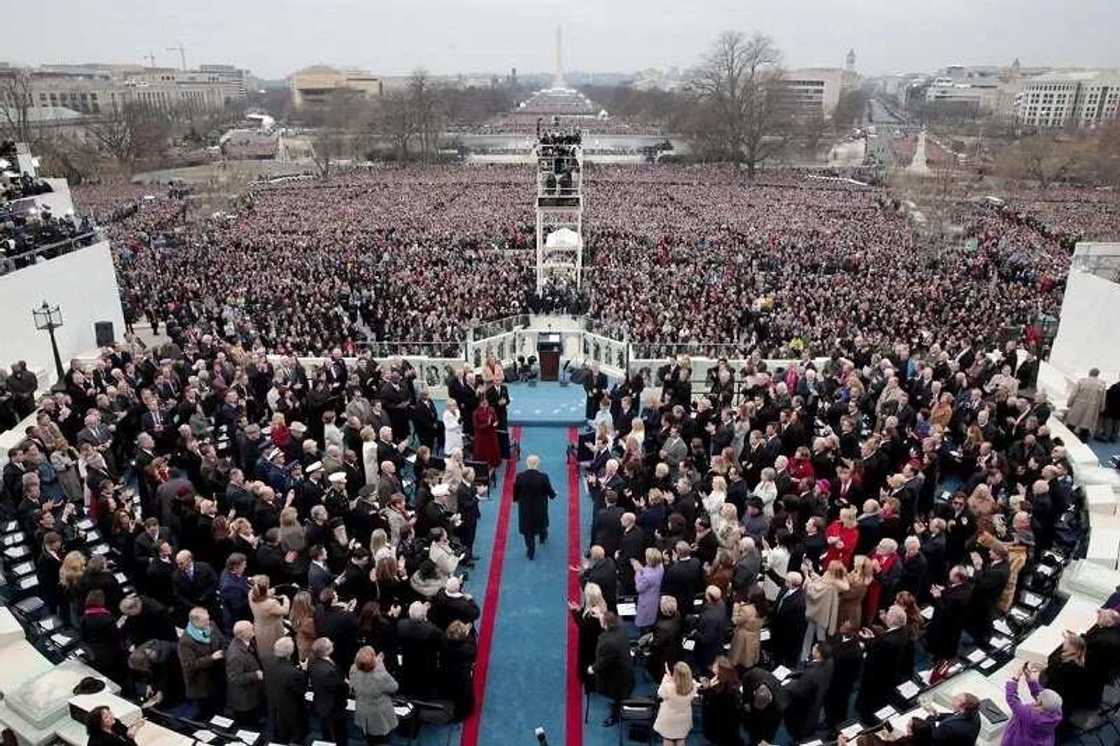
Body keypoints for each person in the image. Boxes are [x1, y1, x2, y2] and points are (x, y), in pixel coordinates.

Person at [177, 606, 227, 720]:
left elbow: (222, 640)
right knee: (207, 711)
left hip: (217, 675)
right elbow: (189, 665)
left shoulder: (212, 625)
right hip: (201, 682)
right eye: (205, 621)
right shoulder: (185, 641)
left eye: (208, 619)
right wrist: (212, 658)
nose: (208, 622)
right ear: (195, 622)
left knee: (220, 704)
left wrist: (224, 651)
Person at [262, 637, 309, 746]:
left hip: (274, 711)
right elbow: (302, 690)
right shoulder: (293, 673)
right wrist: (305, 672)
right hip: (292, 715)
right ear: (290, 652)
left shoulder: (268, 665)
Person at [591, 612, 634, 726]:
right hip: (626, 670)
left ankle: (615, 716)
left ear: (605, 624)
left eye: (601, 620)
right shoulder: (622, 630)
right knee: (619, 696)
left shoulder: (609, 642)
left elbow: (603, 662)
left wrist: (592, 668)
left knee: (617, 696)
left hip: (617, 678)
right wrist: (601, 615)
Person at [350, 646, 399, 746]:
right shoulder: (380, 676)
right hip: (379, 715)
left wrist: (377, 663)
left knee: (368, 738)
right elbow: (394, 687)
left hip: (363, 710)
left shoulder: (353, 669)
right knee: (382, 740)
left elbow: (365, 668)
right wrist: (381, 667)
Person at [1002, 665, 1062, 746]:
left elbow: (1012, 699)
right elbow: (1040, 694)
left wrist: (1015, 678)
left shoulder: (1029, 714)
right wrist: (1029, 678)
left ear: (1039, 703)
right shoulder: (1057, 712)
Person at [513, 454, 556, 559]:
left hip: (525, 508)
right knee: (542, 522)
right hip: (540, 507)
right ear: (538, 464)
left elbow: (515, 493)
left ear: (527, 464)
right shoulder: (543, 477)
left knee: (528, 530)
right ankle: (542, 537)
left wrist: (517, 500)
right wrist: (553, 494)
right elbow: (549, 492)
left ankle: (530, 551)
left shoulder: (520, 477)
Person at [309, 637, 349, 746]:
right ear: (326, 651)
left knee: (326, 730)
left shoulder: (313, 663)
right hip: (333, 707)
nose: (333, 643)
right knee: (338, 734)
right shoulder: (330, 671)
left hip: (321, 703)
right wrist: (345, 683)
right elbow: (342, 689)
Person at [225, 620, 264, 726]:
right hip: (244, 697)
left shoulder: (247, 641)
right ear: (242, 634)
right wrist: (255, 675)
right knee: (247, 723)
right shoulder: (235, 655)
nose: (254, 628)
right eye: (251, 628)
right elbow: (234, 678)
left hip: (253, 691)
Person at [569, 582, 608, 689]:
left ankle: (589, 682)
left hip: (588, 644)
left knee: (587, 662)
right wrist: (579, 611)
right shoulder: (603, 606)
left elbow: (582, 625)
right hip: (598, 642)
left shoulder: (591, 616)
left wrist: (574, 612)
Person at [699, 656, 743, 746]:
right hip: (730, 726)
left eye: (715, 667)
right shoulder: (732, 681)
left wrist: (706, 688)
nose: (712, 668)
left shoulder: (720, 687)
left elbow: (710, 699)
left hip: (718, 724)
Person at [653, 662, 697, 746]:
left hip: (669, 719)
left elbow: (660, 693)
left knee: (668, 739)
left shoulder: (668, 687)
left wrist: (666, 678)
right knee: (681, 739)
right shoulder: (693, 685)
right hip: (684, 719)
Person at [1066, 368, 1107, 442]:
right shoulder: (1102, 384)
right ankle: (1083, 441)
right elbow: (1102, 398)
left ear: (1089, 373)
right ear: (1097, 375)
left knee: (1072, 423)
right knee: (1086, 426)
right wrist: (1102, 407)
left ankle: (1067, 438)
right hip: (1092, 407)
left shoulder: (1082, 381)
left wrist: (1069, 403)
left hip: (1078, 405)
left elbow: (1073, 394)